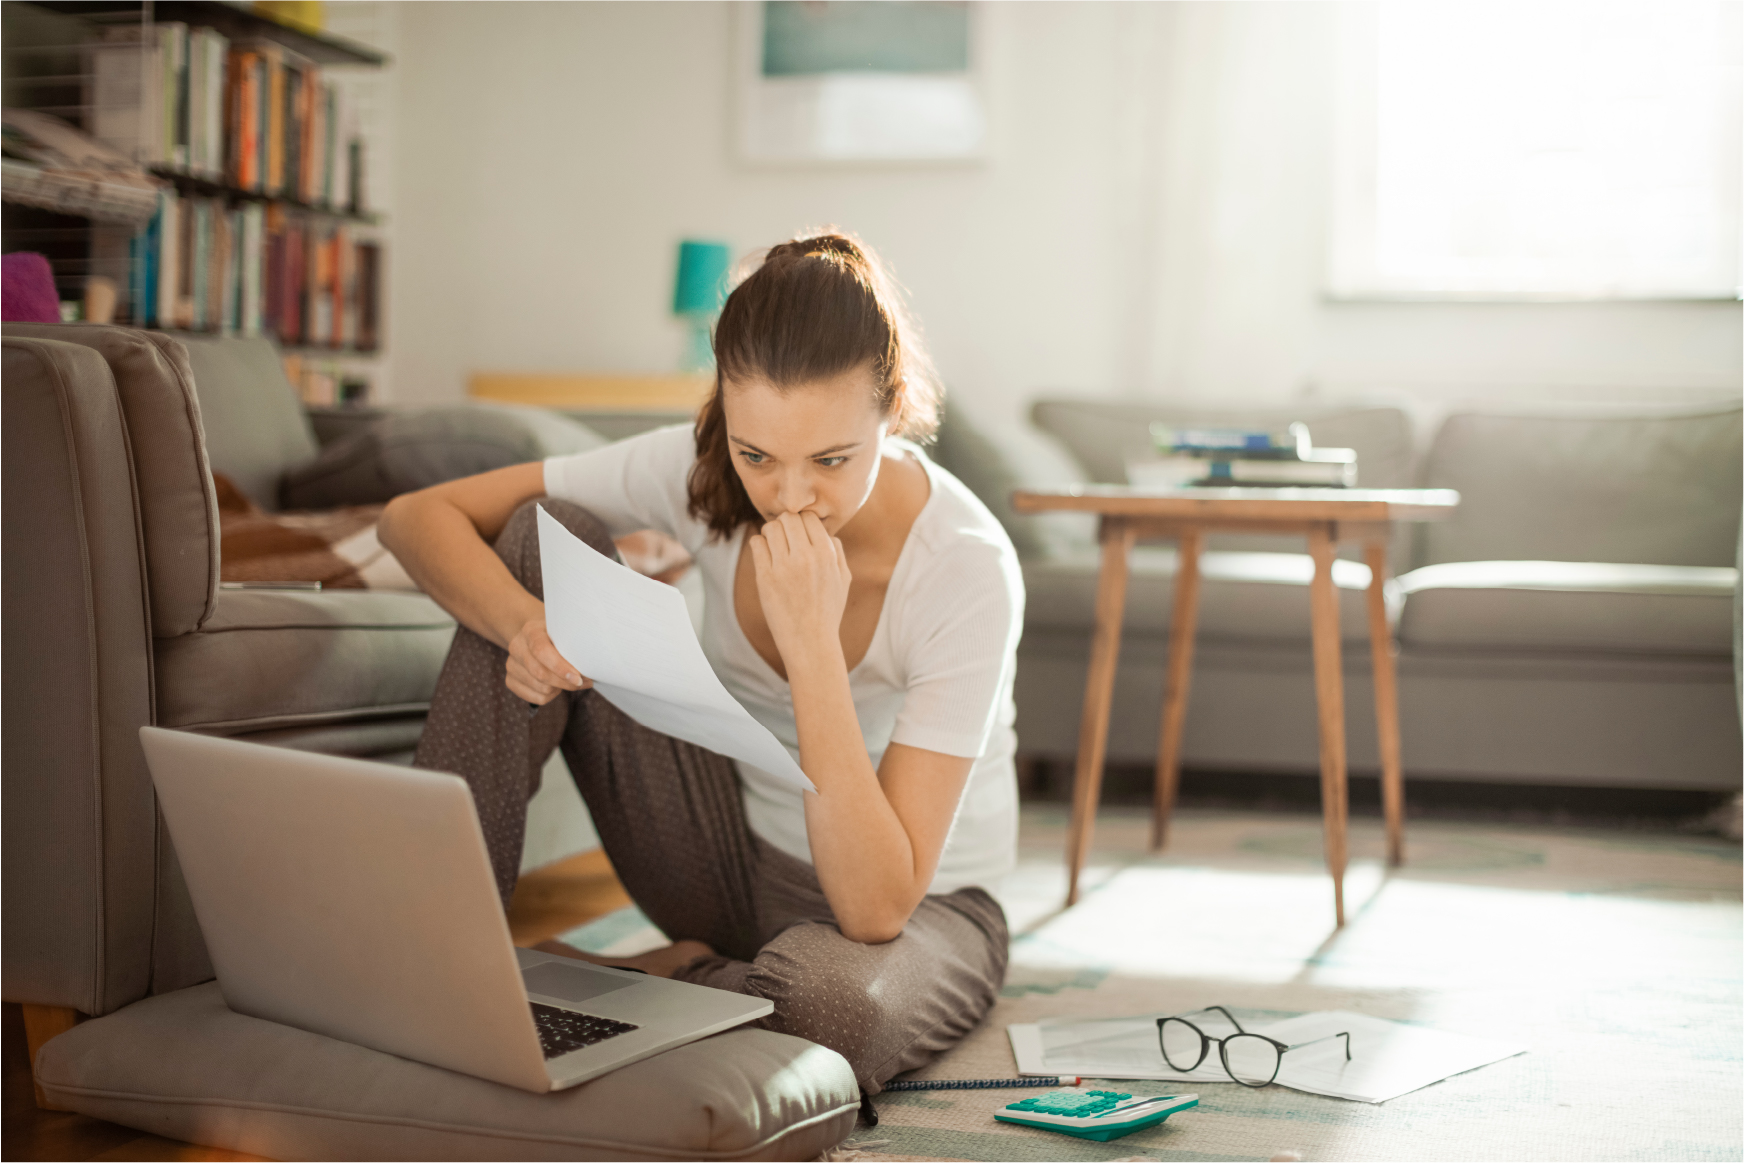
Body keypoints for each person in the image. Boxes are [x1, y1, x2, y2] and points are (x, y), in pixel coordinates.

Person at [378, 231, 1024, 1092]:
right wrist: (523, 625)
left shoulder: (967, 567)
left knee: (834, 1014)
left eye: (832, 460)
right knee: (544, 534)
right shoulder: (696, 471)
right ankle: (435, 961)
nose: (791, 496)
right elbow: (416, 517)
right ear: (727, 414)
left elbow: (876, 907)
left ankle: (662, 977)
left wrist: (811, 648)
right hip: (728, 859)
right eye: (758, 455)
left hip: (921, 911)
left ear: (892, 410)